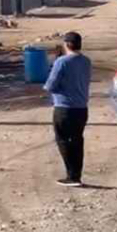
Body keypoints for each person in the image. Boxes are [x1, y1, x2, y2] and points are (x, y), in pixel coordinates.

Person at [44, 32, 92, 187]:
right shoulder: (86, 61)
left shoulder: (62, 62)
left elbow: (50, 85)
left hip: (64, 107)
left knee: (63, 140)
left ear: (67, 44)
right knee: (77, 141)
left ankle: (71, 176)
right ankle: (76, 174)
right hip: (81, 108)